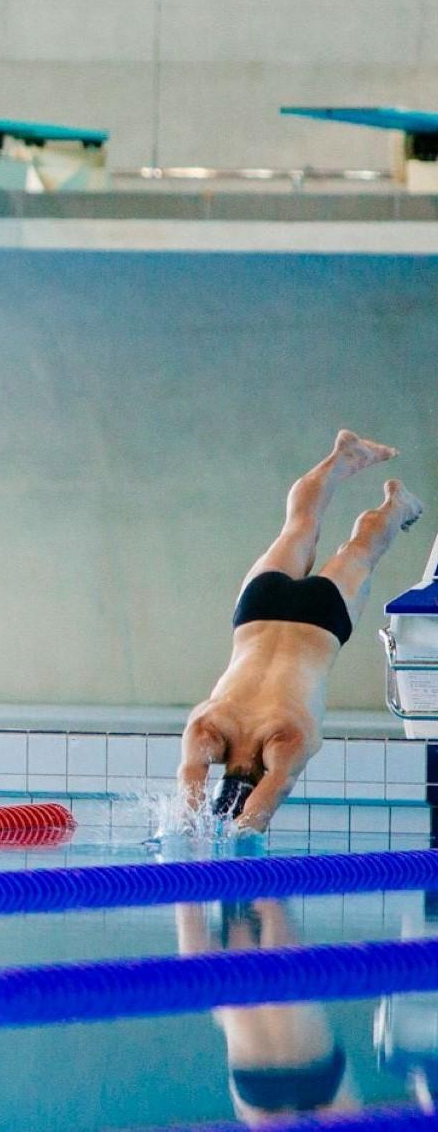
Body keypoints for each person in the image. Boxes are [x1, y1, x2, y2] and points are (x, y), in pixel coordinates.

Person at [181, 430, 422, 831]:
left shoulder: (287, 739)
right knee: (297, 527)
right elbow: (187, 799)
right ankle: (342, 456)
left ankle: (398, 504)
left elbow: (259, 812)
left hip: (319, 622)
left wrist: (236, 838)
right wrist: (192, 830)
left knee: (360, 549)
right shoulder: (209, 727)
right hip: (257, 612)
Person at [175, 899, 359, 1122]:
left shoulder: (239, 977)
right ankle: (186, 879)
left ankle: (189, 880)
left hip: (306, 1071)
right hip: (262, 1082)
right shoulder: (221, 984)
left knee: (273, 962)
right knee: (201, 975)